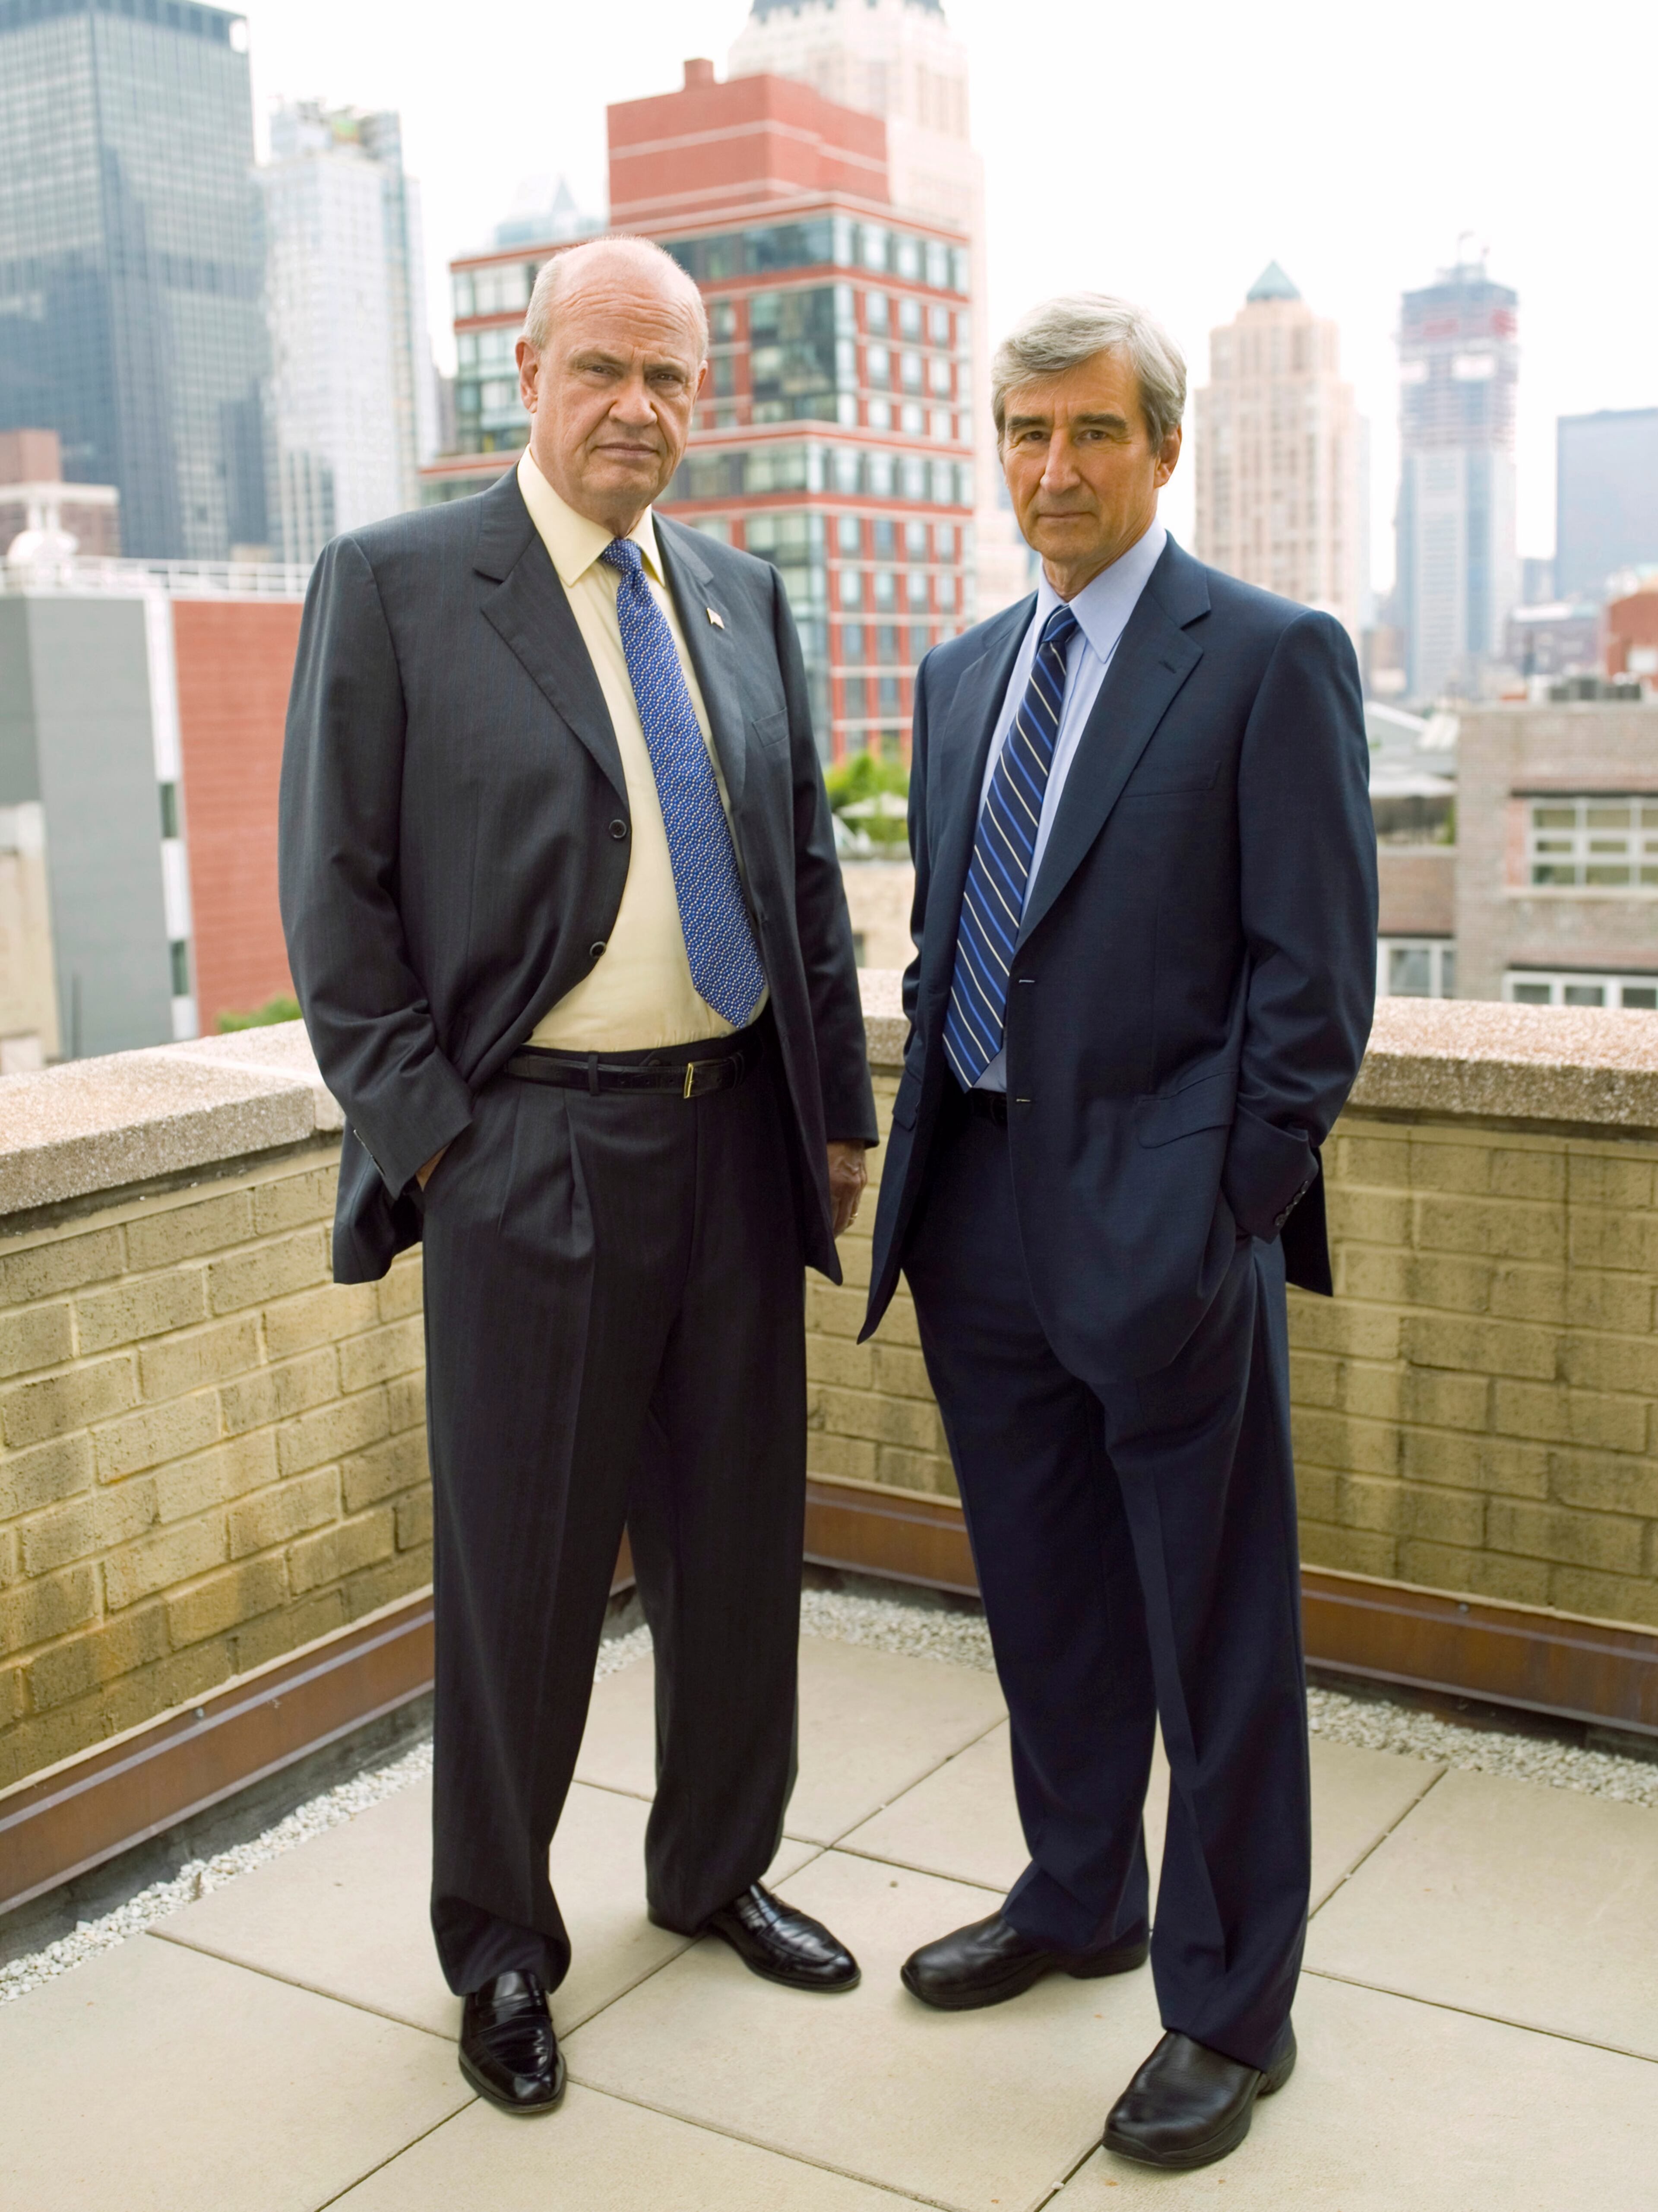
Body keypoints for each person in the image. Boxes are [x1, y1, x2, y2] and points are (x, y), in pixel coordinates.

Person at [279, 235, 876, 2115]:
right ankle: (501, 1949)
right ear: (526, 373)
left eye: (671, 377)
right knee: (524, 1586)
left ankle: (715, 1872)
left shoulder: (740, 595)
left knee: (737, 1555)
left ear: (705, 398)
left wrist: (838, 1112)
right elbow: (335, 900)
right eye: (603, 368)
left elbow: (799, 871)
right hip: (527, 1151)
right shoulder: (398, 585)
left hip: (736, 1139)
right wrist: (442, 1142)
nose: (637, 406)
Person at [863, 293, 1376, 2171]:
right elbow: (951, 943)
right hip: (976, 1215)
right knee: (1047, 1600)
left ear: (1166, 446)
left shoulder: (1268, 658)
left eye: (1092, 430)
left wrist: (1222, 1211)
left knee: (1213, 1631)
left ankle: (1232, 2006)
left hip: (1167, 1237)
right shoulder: (962, 676)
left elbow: (1313, 989)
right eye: (1026, 430)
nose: (1055, 467)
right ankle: (1079, 1892)